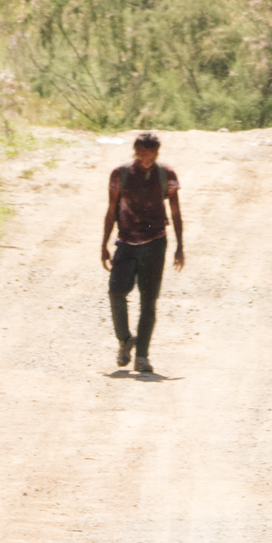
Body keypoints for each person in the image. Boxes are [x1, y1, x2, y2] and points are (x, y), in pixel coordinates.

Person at [100, 132, 186, 375]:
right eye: (142, 154)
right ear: (135, 153)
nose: (147, 159)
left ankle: (142, 356)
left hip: (155, 243)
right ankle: (125, 339)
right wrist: (104, 244)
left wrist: (180, 245)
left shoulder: (166, 175)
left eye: (152, 155)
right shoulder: (121, 174)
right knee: (116, 292)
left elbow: (176, 211)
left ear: (157, 154)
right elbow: (111, 210)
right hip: (125, 242)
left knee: (148, 302)